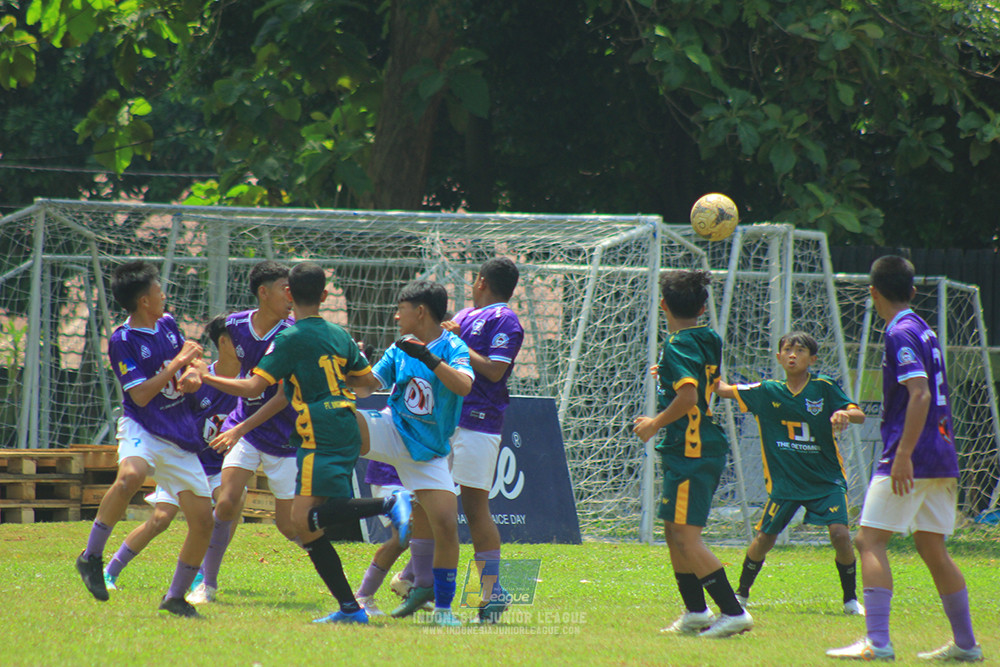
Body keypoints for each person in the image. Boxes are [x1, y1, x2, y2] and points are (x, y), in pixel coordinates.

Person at [198, 262, 412, 625]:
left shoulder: (288, 338)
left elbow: (253, 388)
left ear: (289, 295)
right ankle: (349, 609)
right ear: (326, 296)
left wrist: (205, 376)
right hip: (347, 424)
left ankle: (389, 502)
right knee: (307, 525)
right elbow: (367, 385)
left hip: (318, 429)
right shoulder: (339, 334)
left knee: (304, 520)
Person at [828, 256, 983, 661]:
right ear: (913, 292)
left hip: (913, 454)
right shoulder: (924, 329)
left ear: (872, 292)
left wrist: (903, 456)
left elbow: (920, 394)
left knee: (868, 540)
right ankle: (966, 644)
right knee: (933, 548)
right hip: (943, 454)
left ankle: (877, 642)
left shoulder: (899, 332)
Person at [74, 260, 213, 618]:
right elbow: (139, 397)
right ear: (143, 300)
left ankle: (175, 597)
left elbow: (191, 365)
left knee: (203, 521)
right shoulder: (123, 340)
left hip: (179, 434)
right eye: (157, 289)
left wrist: (194, 373)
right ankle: (91, 557)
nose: (163, 294)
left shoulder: (167, 325)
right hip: (143, 428)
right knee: (130, 476)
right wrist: (175, 364)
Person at [632, 269, 753, 638]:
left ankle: (733, 613)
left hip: (692, 450)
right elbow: (707, 383)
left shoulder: (677, 344)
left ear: (663, 305)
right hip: (693, 449)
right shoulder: (708, 336)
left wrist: (654, 423)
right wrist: (668, 373)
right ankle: (696, 612)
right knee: (673, 532)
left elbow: (688, 397)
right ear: (703, 307)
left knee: (687, 538)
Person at [714, 331, 866, 614]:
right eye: (787, 349)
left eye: (800, 350)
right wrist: (681, 371)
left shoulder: (824, 388)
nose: (793, 354)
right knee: (764, 539)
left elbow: (858, 413)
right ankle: (741, 595)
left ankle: (850, 600)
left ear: (813, 358)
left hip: (826, 480)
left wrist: (845, 414)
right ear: (779, 357)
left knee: (840, 535)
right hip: (786, 483)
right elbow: (722, 388)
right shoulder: (767, 391)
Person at [351, 279, 474, 627]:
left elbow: (464, 385)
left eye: (400, 309)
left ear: (420, 312)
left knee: (447, 526)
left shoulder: (453, 347)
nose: (395, 315)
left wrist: (428, 358)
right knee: (344, 422)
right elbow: (364, 388)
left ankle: (444, 611)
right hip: (392, 430)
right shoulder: (398, 347)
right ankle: (317, 499)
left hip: (430, 452)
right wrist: (353, 365)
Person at [187, 260, 300, 605]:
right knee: (227, 501)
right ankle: (206, 583)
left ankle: (338, 569)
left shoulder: (290, 333)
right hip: (246, 427)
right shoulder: (235, 326)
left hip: (283, 436)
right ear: (263, 292)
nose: (291, 296)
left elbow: (276, 396)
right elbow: (231, 373)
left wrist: (203, 378)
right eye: (285, 288)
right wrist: (194, 369)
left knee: (290, 527)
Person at [102, 314, 241, 591]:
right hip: (187, 461)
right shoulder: (199, 376)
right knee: (160, 519)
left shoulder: (251, 383)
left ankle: (203, 574)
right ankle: (111, 569)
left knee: (230, 503)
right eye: (243, 338)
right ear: (224, 343)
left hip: (219, 468)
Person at [441, 257, 524, 624]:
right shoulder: (464, 314)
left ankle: (492, 591)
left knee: (475, 508)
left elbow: (494, 370)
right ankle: (420, 580)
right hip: (446, 420)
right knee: (430, 502)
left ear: (481, 281)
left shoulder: (505, 320)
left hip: (479, 422)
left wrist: (456, 340)